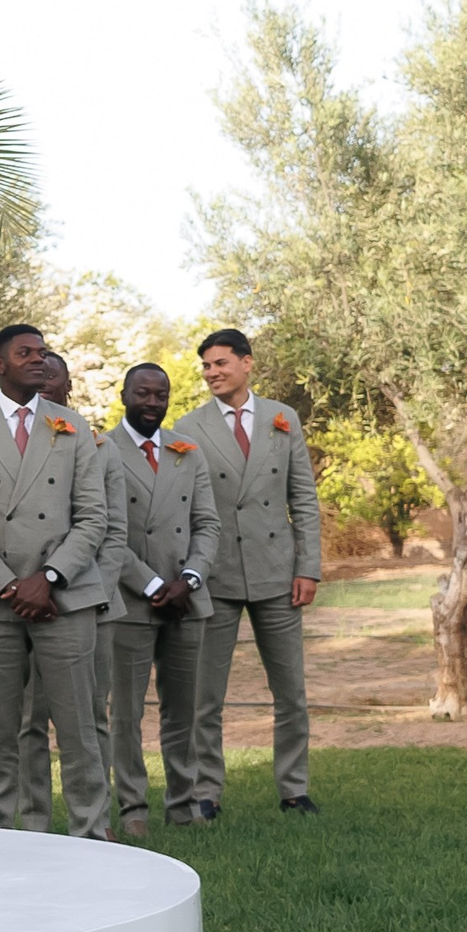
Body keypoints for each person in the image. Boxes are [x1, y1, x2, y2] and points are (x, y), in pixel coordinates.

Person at [0, 325, 113, 839]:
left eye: (42, 351)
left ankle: (92, 840)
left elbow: (94, 517)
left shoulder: (73, 425)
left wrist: (50, 578)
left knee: (79, 731)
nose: (39, 359)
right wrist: (12, 587)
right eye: (26, 353)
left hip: (66, 597)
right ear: (0, 365)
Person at [173, 329, 323, 817]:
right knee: (205, 697)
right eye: (206, 366)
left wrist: (308, 568)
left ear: (247, 363)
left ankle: (294, 789)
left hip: (277, 572)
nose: (212, 373)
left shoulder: (283, 418)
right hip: (214, 575)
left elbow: (303, 498)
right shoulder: (188, 427)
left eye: (220, 363)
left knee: (291, 692)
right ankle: (206, 793)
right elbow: (184, 507)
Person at [103, 364, 222, 830]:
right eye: (143, 393)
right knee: (126, 714)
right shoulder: (100, 450)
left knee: (184, 711)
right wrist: (153, 585)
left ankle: (184, 805)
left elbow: (207, 524)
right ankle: (133, 808)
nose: (152, 402)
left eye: (161, 394)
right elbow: (105, 532)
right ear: (124, 395)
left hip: (186, 599)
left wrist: (188, 579)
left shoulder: (186, 452)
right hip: (130, 600)